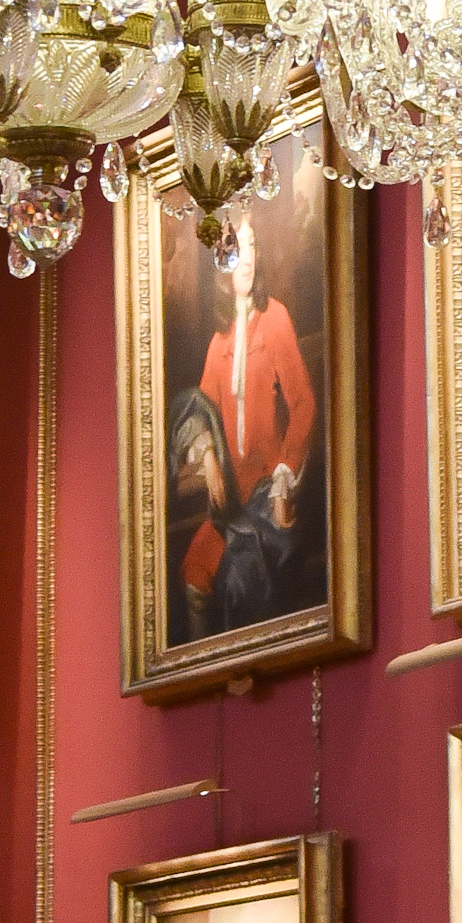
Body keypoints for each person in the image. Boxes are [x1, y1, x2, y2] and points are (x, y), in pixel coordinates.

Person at [196, 210, 316, 525]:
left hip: (270, 490)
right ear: (221, 259)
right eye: (238, 247)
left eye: (253, 245)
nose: (249, 259)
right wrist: (208, 459)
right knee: (194, 568)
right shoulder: (219, 341)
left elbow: (304, 405)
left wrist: (283, 479)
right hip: (233, 498)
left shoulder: (275, 318)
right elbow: (201, 413)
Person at [167, 386, 307, 641]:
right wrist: (207, 453)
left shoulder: (277, 345)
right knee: (193, 581)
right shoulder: (217, 352)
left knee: (240, 577)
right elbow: (197, 406)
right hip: (230, 508)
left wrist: (283, 481)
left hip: (271, 497)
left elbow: (304, 407)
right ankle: (205, 669)